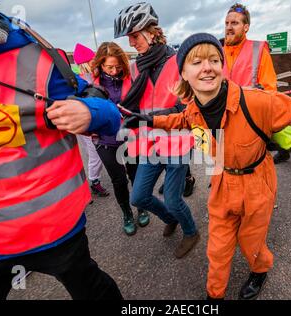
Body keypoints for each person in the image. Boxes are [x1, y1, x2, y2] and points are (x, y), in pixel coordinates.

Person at [123, 33, 291, 300]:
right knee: (217, 249)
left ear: (222, 66)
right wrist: (146, 120)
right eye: (197, 62)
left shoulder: (255, 101)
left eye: (214, 59)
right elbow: (180, 120)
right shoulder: (194, 110)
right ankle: (214, 296)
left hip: (256, 185)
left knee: (251, 242)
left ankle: (260, 270)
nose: (207, 67)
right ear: (183, 73)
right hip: (222, 183)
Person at [0, 0, 122, 300]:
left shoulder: (33, 53)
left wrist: (89, 111)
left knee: (91, 288)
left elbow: (109, 112)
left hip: (54, 232)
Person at [114, 2, 199, 259]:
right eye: (129, 37)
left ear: (152, 32)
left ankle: (191, 231)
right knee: (139, 197)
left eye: (135, 36)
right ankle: (170, 218)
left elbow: (185, 108)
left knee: (173, 198)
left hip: (176, 143)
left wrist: (149, 118)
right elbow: (127, 101)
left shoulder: (178, 62)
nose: (131, 43)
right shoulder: (135, 68)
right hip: (150, 145)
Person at [90, 41, 150, 236]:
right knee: (119, 181)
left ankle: (140, 205)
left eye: (118, 66)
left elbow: (141, 105)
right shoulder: (91, 84)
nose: (114, 71)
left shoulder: (132, 78)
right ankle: (127, 214)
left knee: (135, 175)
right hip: (105, 140)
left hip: (131, 137)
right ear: (100, 64)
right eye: (109, 67)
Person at [222, 3, 291, 164]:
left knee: (252, 169)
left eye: (234, 23)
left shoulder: (258, 49)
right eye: (226, 23)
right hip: (222, 121)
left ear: (246, 27)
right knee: (221, 167)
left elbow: (270, 89)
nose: (229, 27)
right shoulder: (217, 51)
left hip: (250, 122)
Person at [73, 43, 110, 198]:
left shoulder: (87, 77)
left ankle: (94, 178)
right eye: (93, 58)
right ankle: (94, 181)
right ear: (87, 62)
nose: (95, 61)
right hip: (85, 123)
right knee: (94, 153)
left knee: (93, 152)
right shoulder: (83, 79)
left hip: (87, 122)